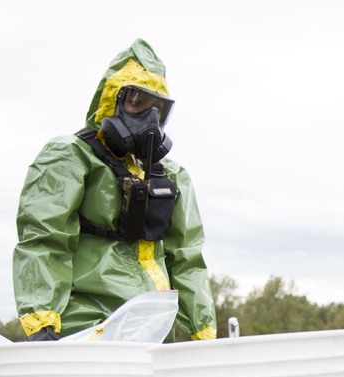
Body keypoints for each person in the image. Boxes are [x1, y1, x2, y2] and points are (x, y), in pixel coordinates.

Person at [13, 39, 216, 342]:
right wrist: (42, 324)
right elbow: (44, 239)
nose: (149, 120)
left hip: (153, 331)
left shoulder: (173, 175)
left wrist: (204, 334)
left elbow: (188, 260)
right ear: (111, 99)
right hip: (86, 329)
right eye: (137, 103)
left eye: (157, 110)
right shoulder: (70, 155)